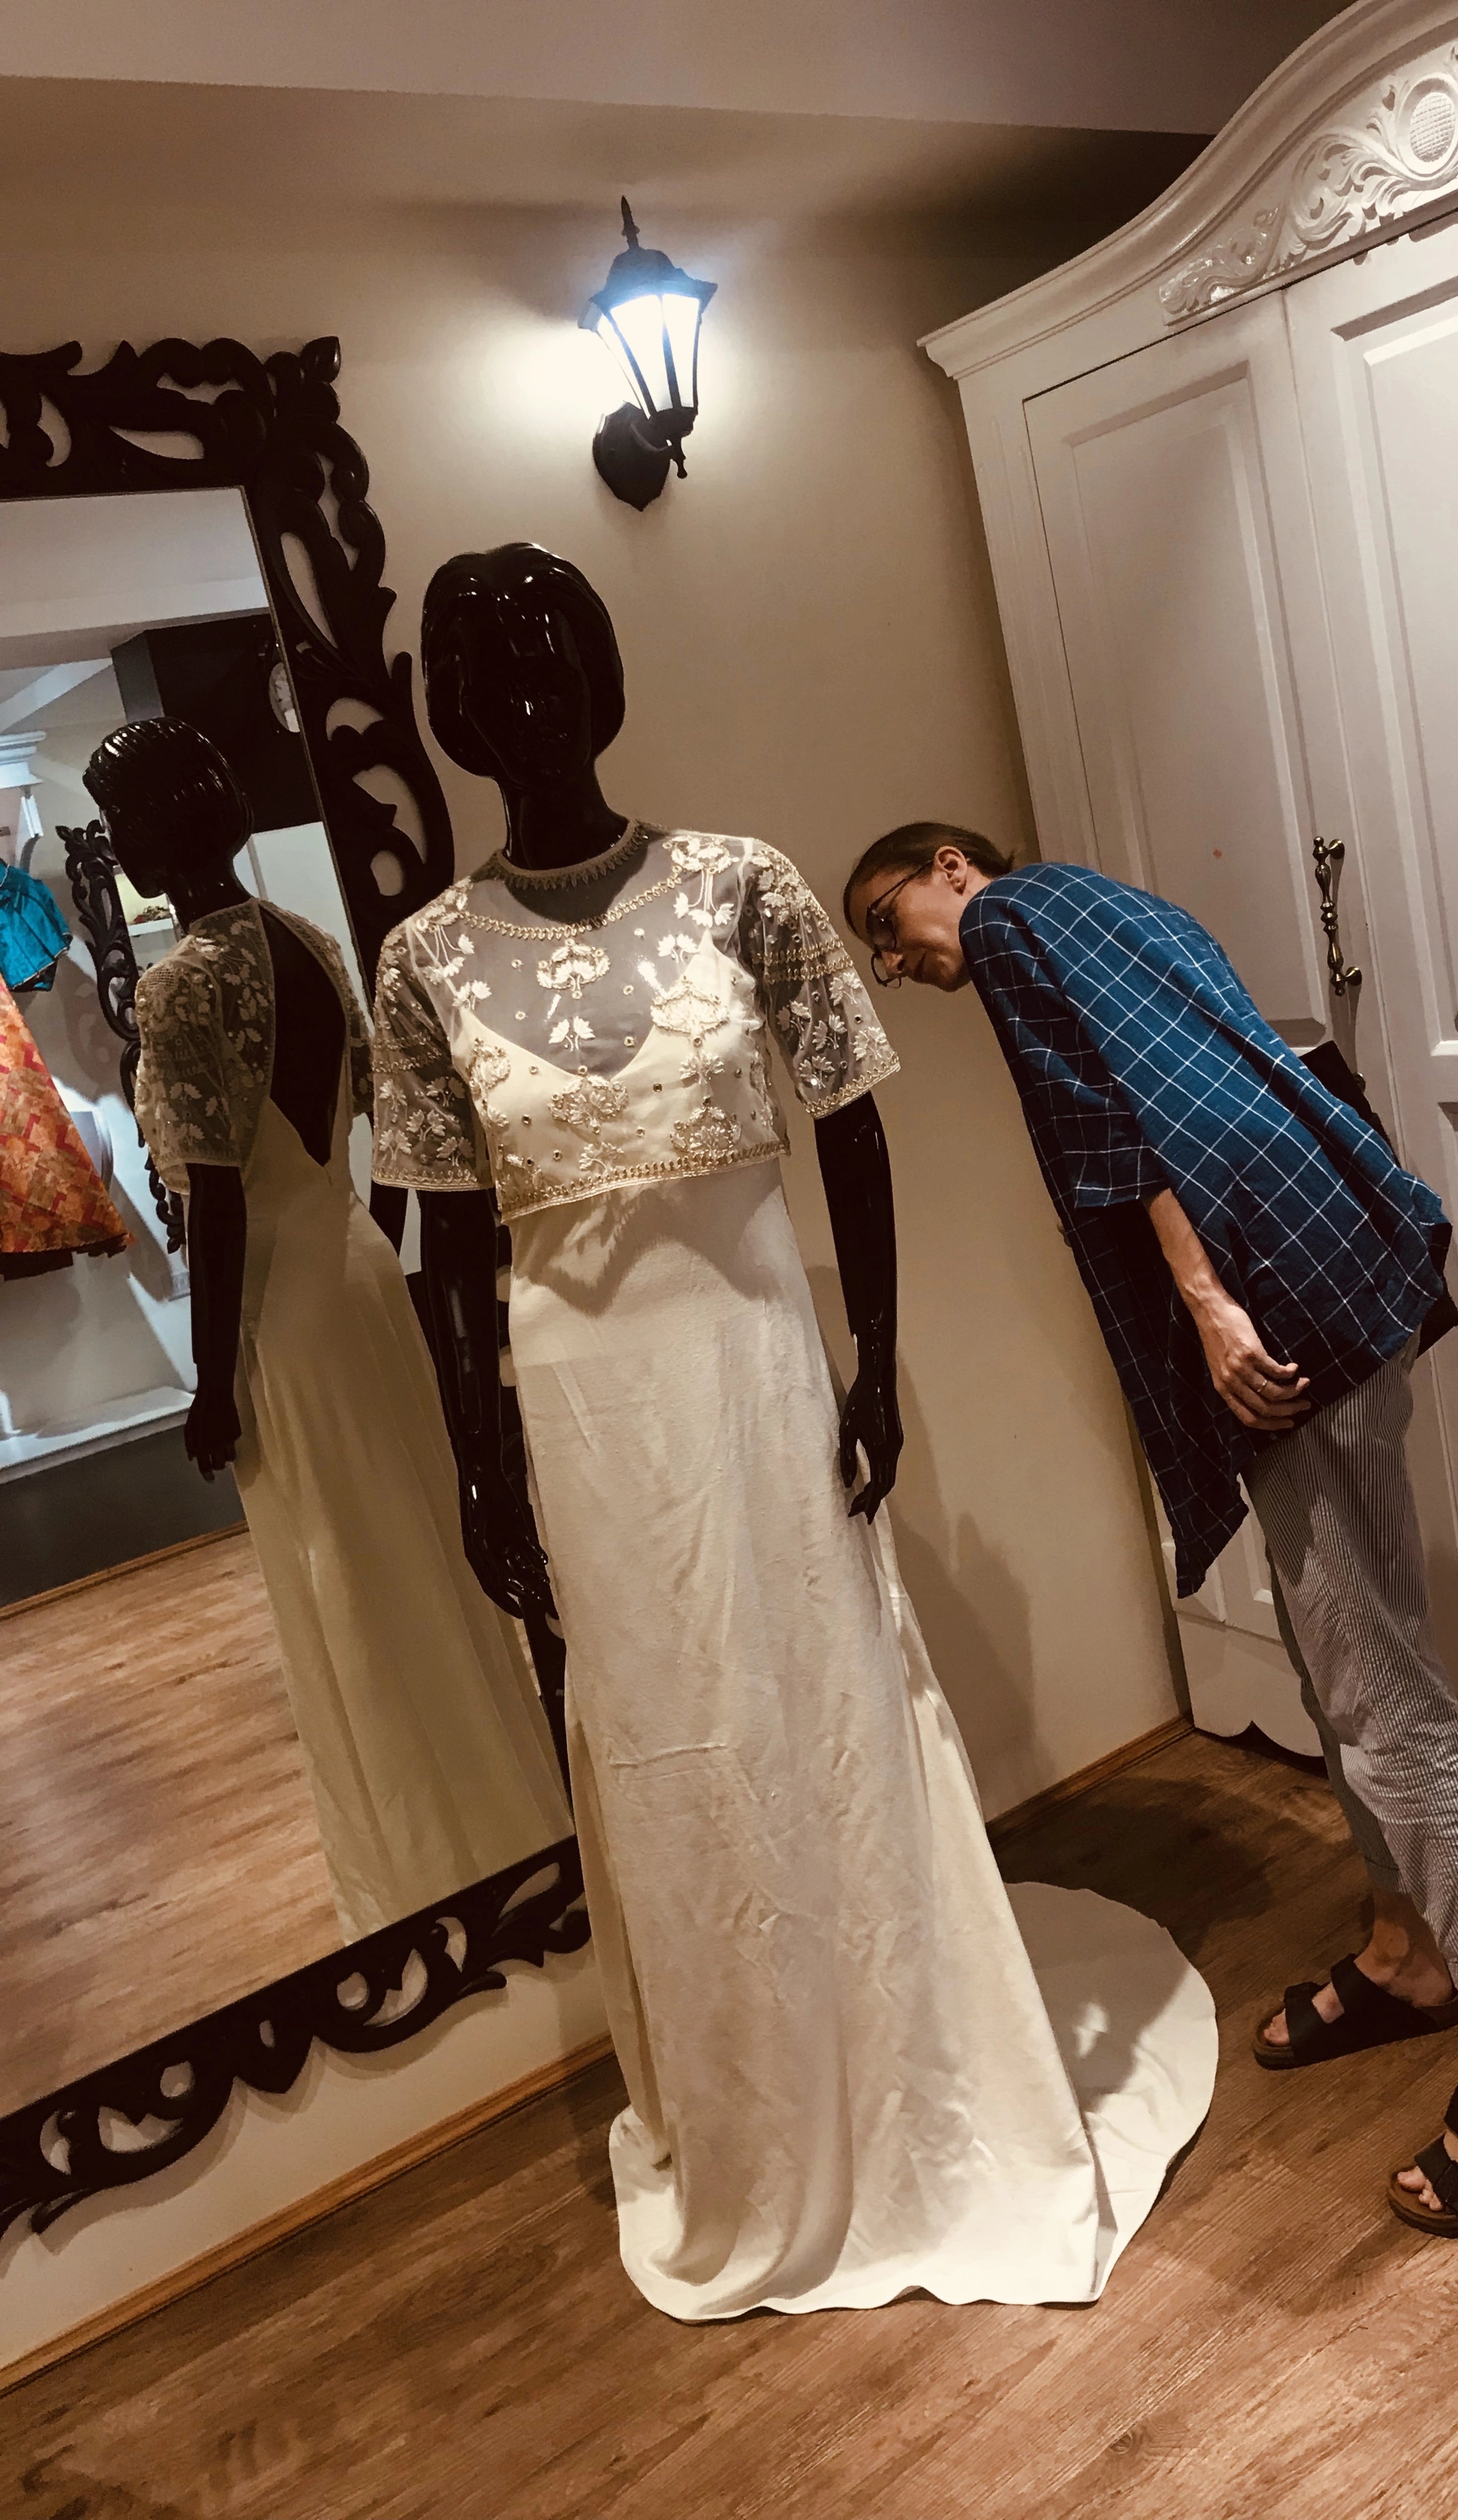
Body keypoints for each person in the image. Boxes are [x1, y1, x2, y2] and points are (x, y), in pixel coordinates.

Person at [371, 545, 1216, 2320]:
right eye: (480, 677)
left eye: (551, 663)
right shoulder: (423, 964)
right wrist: (474, 1457)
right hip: (585, 1423)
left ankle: (910, 2081)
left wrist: (880, 1358)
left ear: (605, 680)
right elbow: (446, 1248)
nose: (521, 704)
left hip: (760, 1376)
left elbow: (848, 1131)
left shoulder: (744, 888)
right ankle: (754, 2115)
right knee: (669, 1744)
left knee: (820, 1703)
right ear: (447, 718)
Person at [842, 822, 1458, 2239]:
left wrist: (1206, 1305)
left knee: (1379, 1693)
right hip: (1333, 1260)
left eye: (889, 922)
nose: (897, 961)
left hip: (1271, 1299)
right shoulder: (1117, 904)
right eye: (881, 957)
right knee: (1349, 1664)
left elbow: (1119, 1124)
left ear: (953, 862)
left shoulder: (1010, 925)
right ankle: (1405, 1951)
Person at [85, 717, 569, 1941]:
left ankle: (426, 1859)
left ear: (160, 830)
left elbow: (223, 1195)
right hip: (352, 1268)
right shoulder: (305, 941)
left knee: (349, 1569)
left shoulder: (183, 981)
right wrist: (380, 1238)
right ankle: (506, 1814)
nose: (120, 842)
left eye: (124, 819)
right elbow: (388, 1134)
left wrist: (210, 1381)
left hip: (284, 1311)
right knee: (408, 1532)